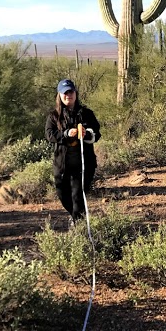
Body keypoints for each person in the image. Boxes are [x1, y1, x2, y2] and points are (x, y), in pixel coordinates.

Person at [45, 78, 101, 224]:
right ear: (60, 95)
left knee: (78, 196)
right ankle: (76, 217)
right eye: (65, 93)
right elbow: (49, 134)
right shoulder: (54, 116)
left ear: (76, 93)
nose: (68, 95)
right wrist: (65, 134)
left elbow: (97, 133)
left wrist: (87, 134)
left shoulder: (86, 113)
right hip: (62, 165)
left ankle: (78, 225)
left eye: (71, 92)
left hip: (83, 165)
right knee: (63, 195)